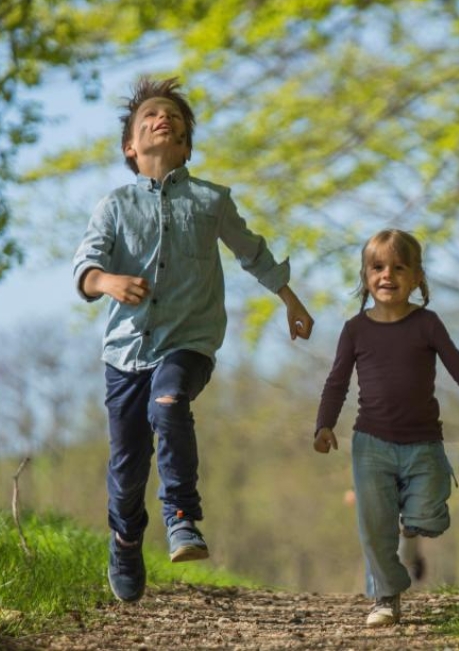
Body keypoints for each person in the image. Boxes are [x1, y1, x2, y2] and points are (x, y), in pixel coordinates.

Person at [72, 77, 313, 603]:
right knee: (127, 467)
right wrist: (108, 281)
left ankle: (182, 517)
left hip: (189, 343)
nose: (163, 118)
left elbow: (253, 252)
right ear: (131, 147)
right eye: (150, 117)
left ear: (185, 145)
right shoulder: (114, 206)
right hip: (125, 353)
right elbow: (85, 267)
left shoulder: (211, 200)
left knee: (170, 400)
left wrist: (290, 300)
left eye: (173, 118)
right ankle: (126, 539)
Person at [314, 229, 459, 628]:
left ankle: (414, 525)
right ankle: (386, 597)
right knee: (375, 528)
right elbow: (337, 382)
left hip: (423, 444)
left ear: (417, 278)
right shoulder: (355, 329)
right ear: (365, 276)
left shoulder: (427, 324)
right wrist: (324, 424)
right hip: (370, 444)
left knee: (427, 518)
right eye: (377, 267)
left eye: (398, 267)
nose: (387, 275)